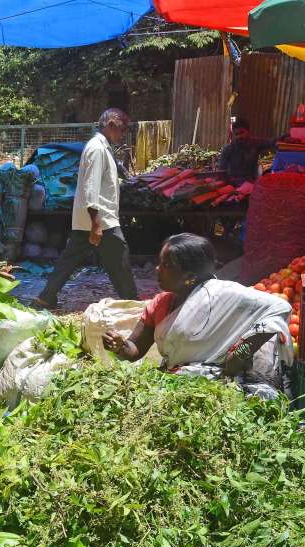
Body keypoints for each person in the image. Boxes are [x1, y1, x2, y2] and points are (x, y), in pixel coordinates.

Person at [103, 233, 293, 398]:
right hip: (177, 385)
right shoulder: (159, 305)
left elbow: (279, 307)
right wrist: (120, 346)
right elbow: (134, 350)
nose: (157, 269)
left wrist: (240, 353)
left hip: (223, 387)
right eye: (159, 262)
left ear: (189, 276)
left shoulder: (222, 296)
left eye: (166, 264)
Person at [33, 109, 138, 309]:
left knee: (69, 260)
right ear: (111, 125)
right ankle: (132, 302)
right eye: (122, 129)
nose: (123, 134)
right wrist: (96, 224)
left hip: (92, 219)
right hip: (101, 220)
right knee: (119, 257)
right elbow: (91, 187)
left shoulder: (101, 147)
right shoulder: (97, 149)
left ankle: (46, 297)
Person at [217, 118, 275, 185]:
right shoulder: (228, 149)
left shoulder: (256, 143)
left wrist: (283, 139)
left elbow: (272, 142)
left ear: (248, 132)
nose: (239, 136)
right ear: (233, 135)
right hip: (233, 184)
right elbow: (222, 171)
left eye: (242, 132)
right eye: (236, 134)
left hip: (252, 183)